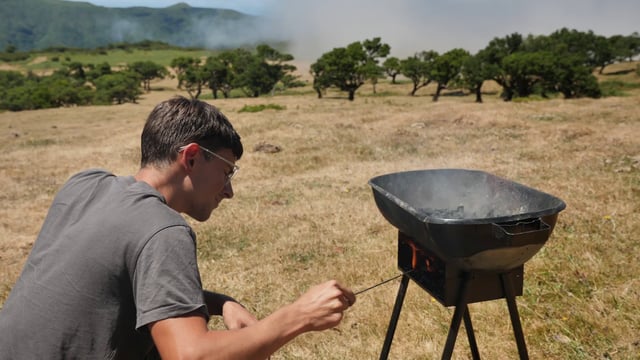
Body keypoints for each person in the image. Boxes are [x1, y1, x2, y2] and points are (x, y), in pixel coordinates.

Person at [0, 96, 356, 359]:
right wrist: (298, 316)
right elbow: (190, 355)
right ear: (190, 157)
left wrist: (218, 303)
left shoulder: (85, 184)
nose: (229, 191)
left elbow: (109, 285)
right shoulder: (163, 230)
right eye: (227, 172)